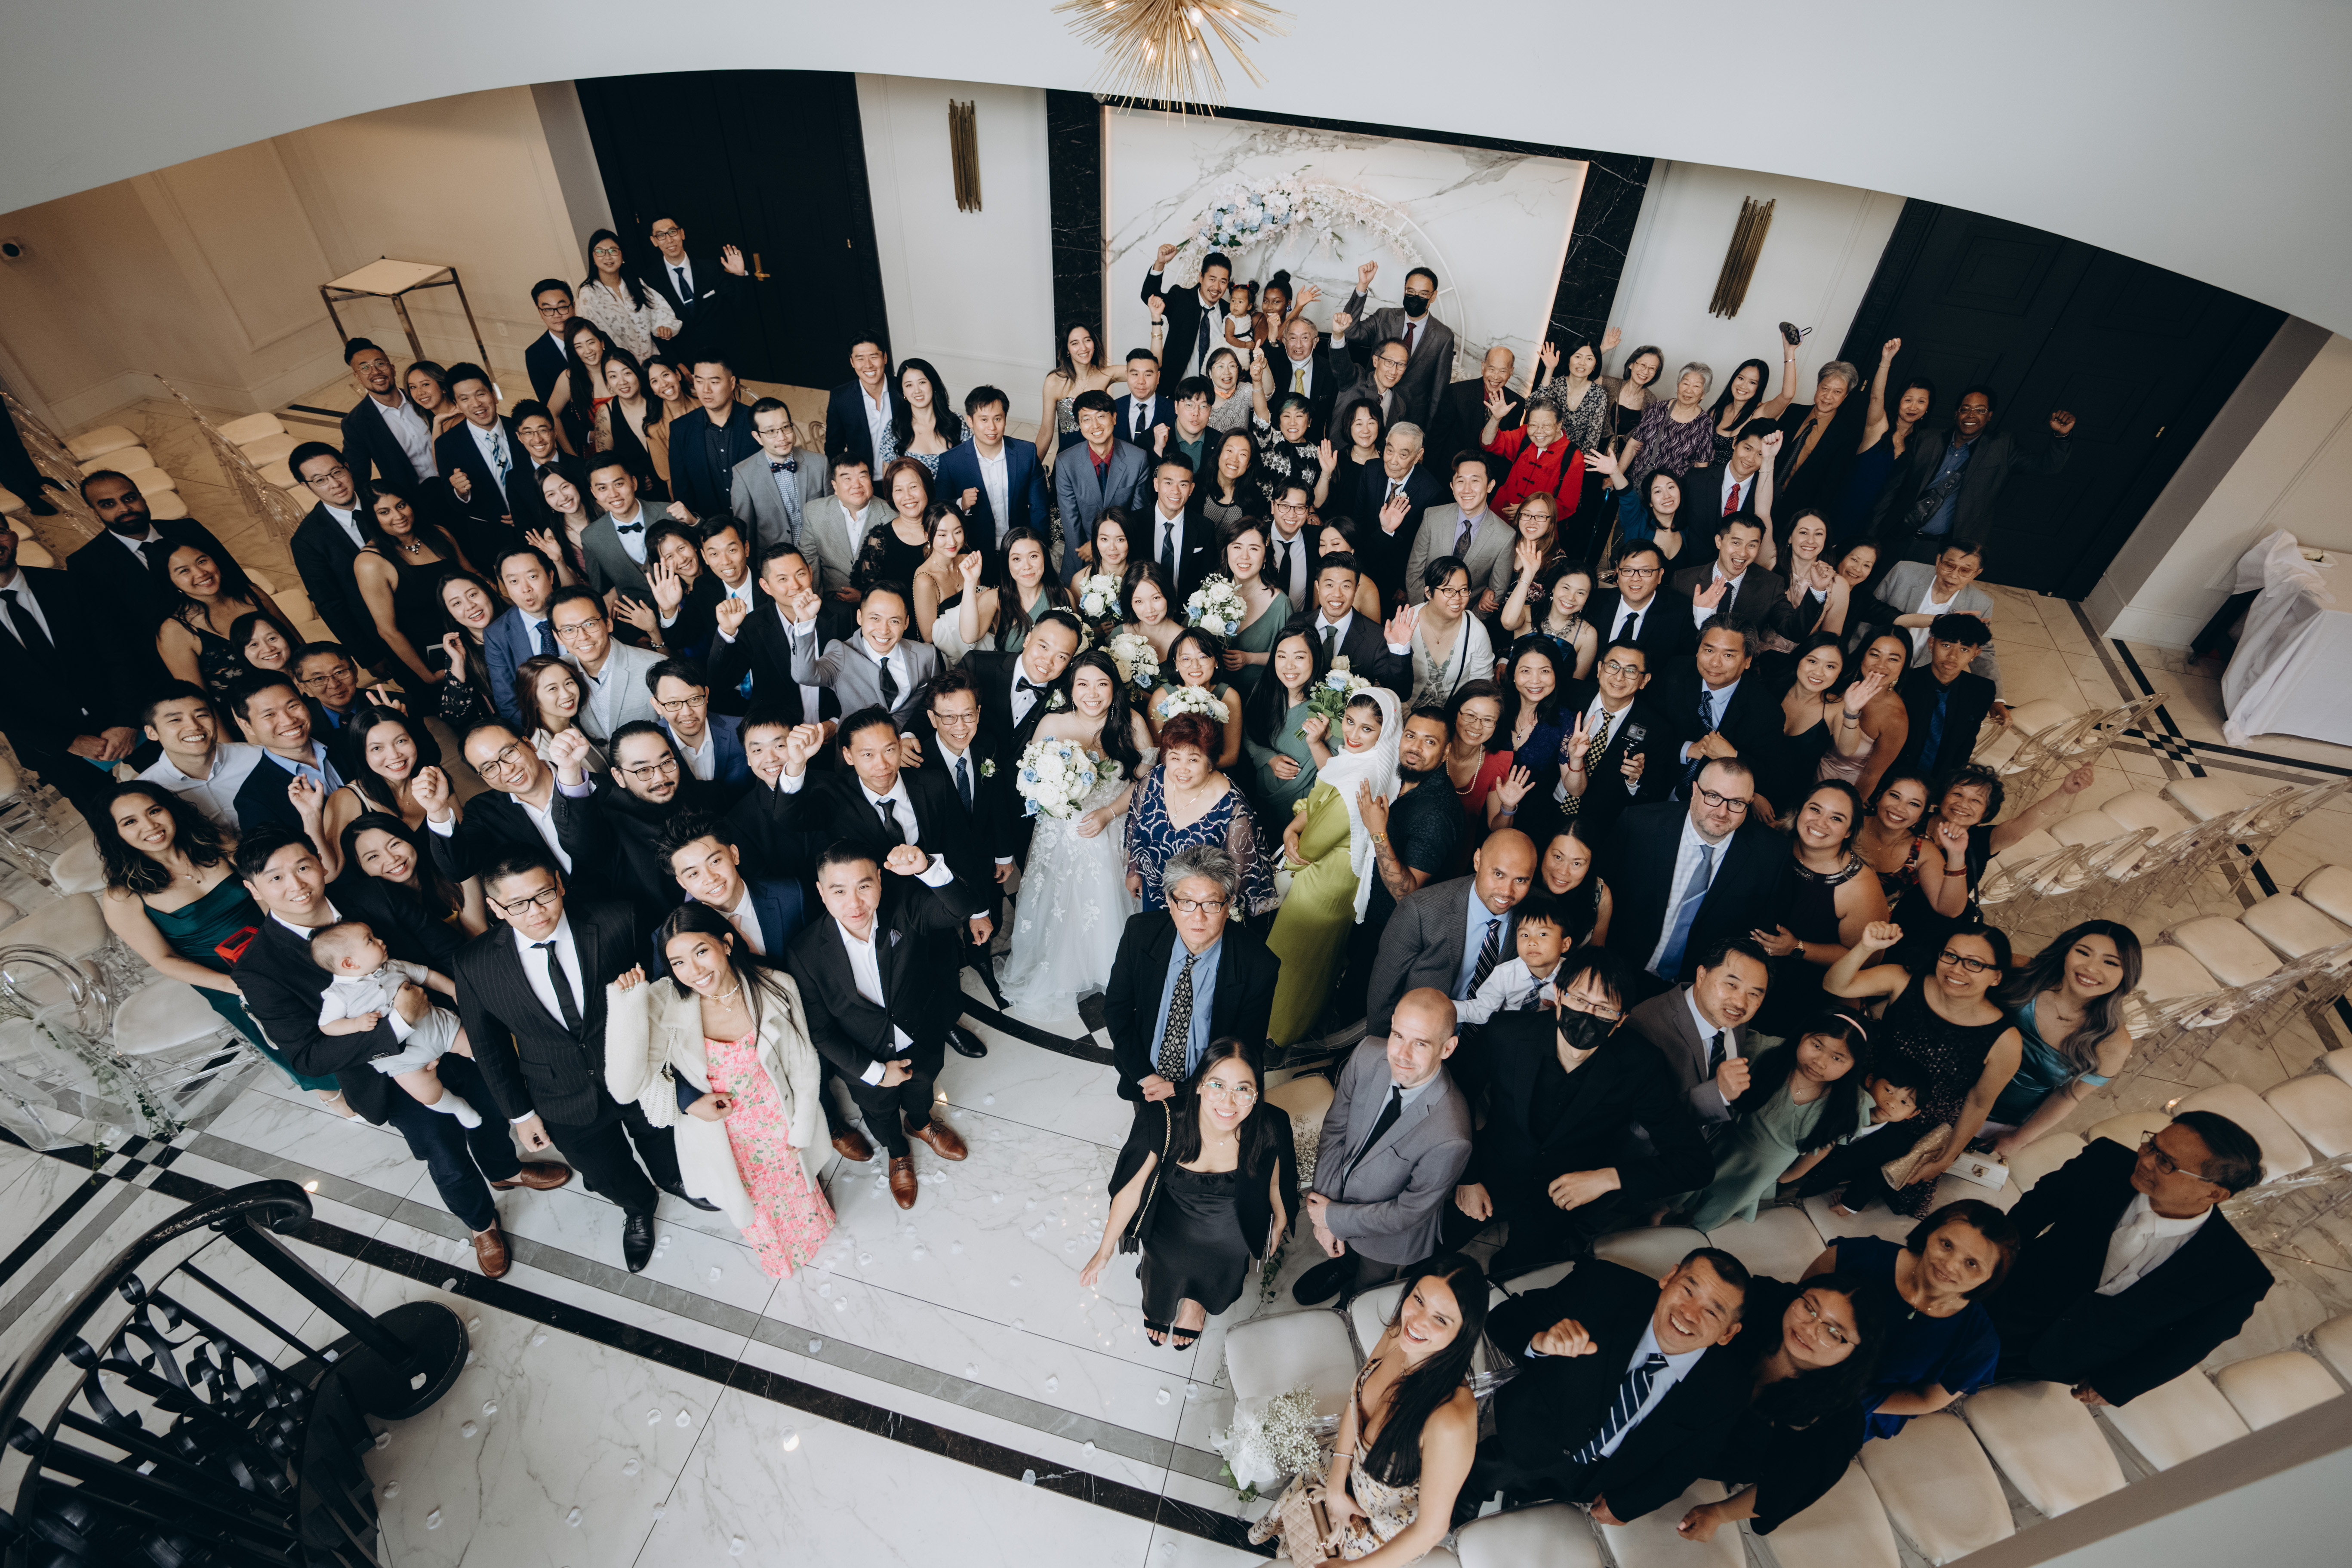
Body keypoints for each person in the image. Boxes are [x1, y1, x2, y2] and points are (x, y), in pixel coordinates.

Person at [231, 824, 568, 1278]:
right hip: (388, 1075)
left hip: (451, 1030)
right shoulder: (258, 968)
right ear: (254, 889)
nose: (296, 884)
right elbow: (309, 1057)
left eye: (303, 867)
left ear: (320, 864)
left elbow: (448, 953)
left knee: (492, 1110)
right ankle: (480, 1222)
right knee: (443, 1153)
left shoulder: (372, 895)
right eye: (276, 878)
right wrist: (398, 1026)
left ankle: (504, 1168)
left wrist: (472, 1015)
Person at [605, 906, 836, 1277]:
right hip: (723, 1136)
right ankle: (778, 1259)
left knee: (798, 1187)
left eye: (701, 951)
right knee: (752, 1206)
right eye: (678, 962)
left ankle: (813, 1234)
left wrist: (803, 1123)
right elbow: (625, 1087)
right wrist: (627, 1007)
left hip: (779, 1118)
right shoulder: (664, 1001)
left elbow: (803, 1060)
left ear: (726, 943)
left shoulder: (775, 985)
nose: (694, 971)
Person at [1986, 1112, 2273, 1409]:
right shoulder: (2104, 1162)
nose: (2146, 1160)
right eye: (2152, 1145)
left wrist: (2116, 1384)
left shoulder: (2239, 1276)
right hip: (2000, 1303)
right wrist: (1981, 1272)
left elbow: (2189, 1343)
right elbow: (2029, 1215)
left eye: (2166, 1163)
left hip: (2063, 1360)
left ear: (2214, 1192)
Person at [95, 782, 349, 1111]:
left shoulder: (215, 843)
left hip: (278, 943)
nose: (150, 825)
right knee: (287, 1030)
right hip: (224, 977)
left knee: (335, 1003)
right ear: (115, 833)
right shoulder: (123, 895)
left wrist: (288, 947)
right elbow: (163, 959)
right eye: (130, 822)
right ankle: (330, 1092)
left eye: (154, 811)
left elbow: (266, 895)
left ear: (170, 810)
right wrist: (238, 985)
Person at [1464, 1243, 1752, 1522]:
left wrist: (1628, 1505)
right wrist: (1539, 1342)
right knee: (1476, 1478)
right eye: (1688, 1290)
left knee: (1532, 1508)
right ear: (1669, 1277)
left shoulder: (1729, 1390)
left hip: (1595, 1482)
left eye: (1712, 1312)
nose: (1689, 1313)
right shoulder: (1603, 1285)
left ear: (1728, 1333)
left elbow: (1689, 1461)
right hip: (1525, 1436)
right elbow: (1505, 1319)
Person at [1255, 1255, 1487, 1565]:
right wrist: (1337, 1484)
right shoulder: (1402, 1332)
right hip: (1336, 1472)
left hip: (1373, 1536)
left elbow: (1431, 1528)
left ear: (1463, 1333)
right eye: (1418, 1299)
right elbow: (1355, 1399)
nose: (1417, 1321)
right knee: (1291, 1543)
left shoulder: (1450, 1419)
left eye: (1441, 1319)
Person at [787, 838, 981, 1207]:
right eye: (839, 891)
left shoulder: (904, 907)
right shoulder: (805, 951)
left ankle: (921, 1123)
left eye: (864, 886)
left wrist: (926, 868)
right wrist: (875, 1072)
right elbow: (821, 1031)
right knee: (879, 1113)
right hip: (863, 1059)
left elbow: (962, 908)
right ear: (822, 893)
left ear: (879, 879)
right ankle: (897, 1151)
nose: (854, 903)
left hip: (920, 1036)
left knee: (922, 1089)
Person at [1087, 1035, 1296, 1350]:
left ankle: (1196, 1304)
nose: (1228, 1103)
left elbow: (1275, 1179)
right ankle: (1160, 1305)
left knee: (1215, 1277)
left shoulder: (1271, 1124)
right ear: (1199, 1084)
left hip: (1232, 1234)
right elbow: (1131, 1191)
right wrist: (1104, 1252)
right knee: (1163, 1272)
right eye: (1217, 1085)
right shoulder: (1163, 1119)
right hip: (1171, 1228)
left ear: (1256, 1095)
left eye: (1242, 1089)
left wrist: (1279, 1218)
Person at [1822, 919, 2023, 1217]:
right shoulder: (1903, 979)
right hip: (1867, 1092)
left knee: (1878, 1182)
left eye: (1974, 963)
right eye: (1950, 955)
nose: (1957, 969)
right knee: (1817, 1158)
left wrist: (1946, 1159)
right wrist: (1866, 947)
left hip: (1920, 1126)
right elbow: (1835, 985)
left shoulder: (2005, 1041)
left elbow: (1979, 1102)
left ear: (1996, 977)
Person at [1290, 990, 1475, 1310]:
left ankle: (1350, 1304)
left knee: (1367, 1289)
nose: (1401, 1055)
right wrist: (1327, 1218)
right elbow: (1335, 1129)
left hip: (1388, 1237)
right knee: (1346, 1254)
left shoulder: (1453, 1136)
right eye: (1398, 1035)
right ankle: (1343, 1265)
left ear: (1448, 1048)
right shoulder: (1367, 1053)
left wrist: (1333, 1217)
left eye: (1421, 1043)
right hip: (1339, 1199)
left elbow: (1407, 1212)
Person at [1675, 1272, 1884, 1544]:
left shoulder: (1840, 1423)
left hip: (1712, 1461)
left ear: (1856, 1353)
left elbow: (1784, 1488)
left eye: (1833, 1332)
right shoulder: (1760, 1302)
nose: (1809, 1329)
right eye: (1810, 1308)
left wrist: (1719, 1513)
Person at [1001, 650, 1154, 1012]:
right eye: (1083, 684)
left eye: (1102, 684)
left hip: (1113, 825)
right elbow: (1031, 781)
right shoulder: (1052, 724)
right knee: (1060, 903)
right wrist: (1055, 801)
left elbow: (1147, 781)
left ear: (1114, 688)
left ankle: (1112, 968)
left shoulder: (1131, 721)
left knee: (1109, 898)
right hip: (1061, 832)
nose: (1092, 693)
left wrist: (1109, 813)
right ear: (1071, 688)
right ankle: (1066, 969)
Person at [1804, 1198, 2014, 1439]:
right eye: (1946, 1244)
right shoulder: (1855, 1257)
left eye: (1971, 1264)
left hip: (1856, 1409)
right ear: (1930, 1233)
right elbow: (1795, 1307)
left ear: (1991, 1278)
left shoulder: (1980, 1343)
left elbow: (1926, 1399)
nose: (1950, 1265)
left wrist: (1849, 1402)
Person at [1267, 687, 1401, 1044]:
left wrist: (1295, 837)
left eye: (1367, 729)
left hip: (1324, 880)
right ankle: (1296, 1024)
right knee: (1316, 960)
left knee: (1291, 958)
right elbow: (1329, 783)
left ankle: (1277, 1032)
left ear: (1384, 731)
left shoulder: (1362, 778)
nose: (1353, 735)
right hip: (1335, 876)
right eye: (1350, 722)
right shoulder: (1362, 760)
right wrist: (1294, 825)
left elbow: (1311, 846)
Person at [1102, 843, 1281, 1103]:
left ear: (1229, 904)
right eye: (1186, 902)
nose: (1198, 918)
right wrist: (1145, 1077)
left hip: (1211, 1092)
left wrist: (1181, 1089)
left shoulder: (1259, 965)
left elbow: (1245, 1053)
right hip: (1143, 1081)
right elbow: (1116, 1010)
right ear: (1169, 900)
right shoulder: (1139, 934)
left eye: (1211, 904)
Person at [1602, 757, 1784, 996]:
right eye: (1714, 796)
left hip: (1698, 991)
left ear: (1749, 804)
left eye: (1736, 803)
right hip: (1618, 971)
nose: (1722, 812)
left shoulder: (1772, 854)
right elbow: (1600, 895)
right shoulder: (1639, 825)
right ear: (1695, 790)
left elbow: (1757, 936)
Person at [1677, 1013, 1870, 1230]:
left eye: (1837, 1058)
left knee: (1719, 1205)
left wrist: (1793, 1175)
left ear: (1854, 1065)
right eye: (1817, 1046)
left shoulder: (1851, 1103)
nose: (1820, 1062)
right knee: (1684, 1190)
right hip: (1723, 1144)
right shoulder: (1764, 1051)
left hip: (1761, 1171)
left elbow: (1826, 1144)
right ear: (1803, 1035)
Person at [0, 524, 136, 830]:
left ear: (12, 535)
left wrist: (127, 719)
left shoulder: (68, 583)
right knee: (114, 828)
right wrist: (69, 742)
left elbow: (120, 653)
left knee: (189, 790)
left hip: (122, 716)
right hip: (54, 744)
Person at [1906, 763, 2097, 965]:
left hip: (1934, 930)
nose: (1963, 804)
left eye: (1976, 800)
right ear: (1942, 797)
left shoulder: (1983, 840)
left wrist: (2064, 792)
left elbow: (2021, 826)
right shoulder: (1912, 820)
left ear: (1985, 813)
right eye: (1957, 794)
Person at [1986, 921, 2141, 1154]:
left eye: (2110, 962)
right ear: (2067, 951)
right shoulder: (2021, 973)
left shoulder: (2113, 1043)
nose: (2091, 968)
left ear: (2127, 974)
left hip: (1998, 1118)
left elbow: (2069, 1096)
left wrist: (2019, 1139)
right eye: (2083, 953)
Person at [1871, 386, 2077, 561]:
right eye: (1966, 409)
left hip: (1943, 551)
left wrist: (2062, 436)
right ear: (1956, 413)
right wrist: (1872, 535)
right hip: (1896, 537)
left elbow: (2047, 466)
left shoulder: (2002, 447)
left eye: (1980, 410)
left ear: (1990, 416)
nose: (1971, 415)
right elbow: (1892, 490)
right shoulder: (1927, 439)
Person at [310, 920, 477, 1123]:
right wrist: (355, 1024)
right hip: (403, 1059)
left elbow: (428, 976)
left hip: (439, 1028)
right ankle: (458, 1108)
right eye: (370, 940)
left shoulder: (394, 966)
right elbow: (327, 1026)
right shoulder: (338, 995)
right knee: (427, 1094)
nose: (380, 941)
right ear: (350, 963)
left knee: (476, 1045)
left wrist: (454, 992)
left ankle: (496, 1072)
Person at [415, 722, 604, 892]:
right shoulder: (483, 811)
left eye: (509, 753)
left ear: (529, 744)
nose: (506, 769)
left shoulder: (599, 786)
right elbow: (459, 870)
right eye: (489, 768)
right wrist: (437, 811)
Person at [1124, 712, 1274, 915]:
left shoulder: (1233, 810)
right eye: (1175, 758)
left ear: (1210, 763)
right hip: (1154, 893)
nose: (1182, 769)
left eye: (1193, 760)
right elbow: (1135, 827)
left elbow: (1240, 880)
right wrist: (1134, 871)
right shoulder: (1153, 781)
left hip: (1199, 910)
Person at [1629, 936, 1773, 1129]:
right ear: (1701, 975)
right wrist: (1718, 1094)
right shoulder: (1644, 1025)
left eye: (1754, 994)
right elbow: (1638, 1126)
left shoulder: (1735, 1019)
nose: (1740, 1003)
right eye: (1731, 985)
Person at [1546, 639, 1666, 840]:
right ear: (1599, 669)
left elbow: (1653, 795)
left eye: (1631, 671)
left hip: (1601, 828)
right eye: (1613, 666)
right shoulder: (1568, 695)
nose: (1619, 677)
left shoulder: (1657, 729)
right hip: (1547, 806)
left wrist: (1634, 780)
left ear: (1644, 680)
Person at [354, 480, 468, 690]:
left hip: (472, 637)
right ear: (373, 518)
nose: (399, 516)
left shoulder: (439, 534)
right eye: (385, 512)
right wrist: (428, 676)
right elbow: (388, 631)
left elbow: (473, 575)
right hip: (430, 658)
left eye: (401, 505)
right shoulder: (370, 562)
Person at [287, 443, 392, 669]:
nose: (335, 484)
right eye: (320, 480)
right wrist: (370, 657)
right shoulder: (307, 541)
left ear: (347, 467)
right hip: (382, 633)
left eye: (337, 472)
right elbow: (331, 605)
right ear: (305, 486)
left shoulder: (384, 496)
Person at [1874, 540, 2005, 697]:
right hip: (1879, 664)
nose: (1954, 575)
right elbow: (1869, 617)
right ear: (1938, 561)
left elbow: (1983, 650)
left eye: (1965, 571)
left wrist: (1998, 699)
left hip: (1924, 678)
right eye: (1949, 565)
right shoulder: (1903, 572)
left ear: (1976, 574)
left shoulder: (1980, 604)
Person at [1332, 423, 1444, 606]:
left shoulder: (1431, 492)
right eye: (1390, 450)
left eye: (1403, 455)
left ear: (1418, 456)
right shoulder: (1371, 470)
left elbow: (1423, 548)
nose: (1393, 461)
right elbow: (1357, 520)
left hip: (1396, 578)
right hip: (1362, 562)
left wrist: (1405, 586)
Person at [226, 676, 350, 836]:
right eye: (270, 715)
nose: (288, 721)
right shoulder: (254, 800)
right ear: (247, 725)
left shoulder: (350, 739)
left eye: (292, 706)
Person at [431, 365, 536, 555]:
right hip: (492, 538)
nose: (476, 404)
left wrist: (528, 510)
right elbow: (452, 501)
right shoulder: (447, 444)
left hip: (539, 526)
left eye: (481, 394)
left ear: (493, 395)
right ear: (457, 404)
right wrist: (460, 493)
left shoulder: (522, 428)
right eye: (465, 399)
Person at [1336, 261, 1454, 426]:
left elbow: (1438, 393)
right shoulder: (1384, 317)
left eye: (1423, 294)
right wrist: (1362, 286)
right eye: (1411, 292)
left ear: (1433, 296)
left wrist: (1428, 434)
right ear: (1405, 290)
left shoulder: (1443, 337)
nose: (1415, 298)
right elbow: (1350, 331)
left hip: (1410, 418)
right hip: (1370, 407)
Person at [1837, 340, 1932, 542]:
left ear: (1927, 409)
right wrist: (1886, 361)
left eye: (1921, 402)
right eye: (1908, 400)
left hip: (1879, 522)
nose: (1913, 407)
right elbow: (1876, 397)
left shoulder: (1921, 443)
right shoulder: (1878, 427)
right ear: (1899, 402)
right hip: (1848, 508)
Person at [1054, 391, 1152, 584]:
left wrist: (1104, 546)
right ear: (1079, 424)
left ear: (1114, 418)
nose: (1095, 426)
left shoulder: (1138, 459)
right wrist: (1090, 549)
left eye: (1101, 416)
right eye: (1087, 419)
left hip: (1124, 553)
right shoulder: (1066, 462)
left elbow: (1138, 516)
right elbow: (1071, 520)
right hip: (1082, 554)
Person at [135, 683, 265, 829]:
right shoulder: (145, 791)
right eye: (176, 720)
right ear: (152, 732)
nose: (194, 726)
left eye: (201, 715)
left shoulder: (260, 757)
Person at [1608, 362, 1716, 535]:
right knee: (1626, 530)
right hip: (1639, 485)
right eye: (1685, 383)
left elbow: (1700, 470)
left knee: (1654, 536)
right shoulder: (1658, 408)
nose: (1689, 390)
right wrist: (1615, 477)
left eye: (1697, 386)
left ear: (1703, 394)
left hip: (1669, 497)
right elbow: (1633, 445)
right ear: (1678, 385)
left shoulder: (1705, 425)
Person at [343, 810, 487, 937]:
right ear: (361, 869)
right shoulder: (376, 915)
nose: (392, 859)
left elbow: (480, 937)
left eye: (394, 844)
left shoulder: (455, 874)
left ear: (409, 840)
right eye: (373, 857)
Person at [549, 586, 662, 743]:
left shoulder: (655, 667)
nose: (582, 637)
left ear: (608, 624)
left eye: (590, 624)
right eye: (569, 630)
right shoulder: (556, 673)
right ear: (558, 636)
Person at [1404, 453, 1508, 616]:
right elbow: (1414, 572)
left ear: (1490, 485)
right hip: (1424, 612)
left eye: (1475, 481)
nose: (1467, 489)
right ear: (1452, 487)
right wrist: (1424, 614)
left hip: (1466, 617)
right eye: (1461, 481)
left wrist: (1468, 623)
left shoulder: (1505, 536)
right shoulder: (1433, 517)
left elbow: (1497, 592)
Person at [1242, 625, 1329, 818]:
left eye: (1299, 657)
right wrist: (1269, 758)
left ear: (1315, 658)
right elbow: (1247, 735)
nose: (1289, 666)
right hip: (1263, 802)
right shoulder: (1265, 691)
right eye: (1282, 656)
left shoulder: (1329, 705)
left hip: (1307, 811)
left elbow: (1338, 774)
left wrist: (1316, 743)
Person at [1768, 360, 1869, 522]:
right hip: (1762, 493)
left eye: (1837, 392)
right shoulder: (1793, 412)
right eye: (1825, 388)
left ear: (1845, 396)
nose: (1828, 396)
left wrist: (1812, 519)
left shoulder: (1846, 435)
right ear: (1818, 386)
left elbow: (1831, 485)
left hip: (1798, 511)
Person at [338, 337, 442, 493]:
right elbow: (358, 476)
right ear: (358, 377)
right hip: (414, 497)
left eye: (380, 364)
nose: (375, 372)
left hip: (458, 481)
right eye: (365, 368)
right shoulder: (355, 423)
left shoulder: (421, 397)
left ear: (393, 369)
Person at [641, 219, 748, 368]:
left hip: (722, 352)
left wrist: (739, 275)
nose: (669, 240)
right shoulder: (650, 280)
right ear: (654, 241)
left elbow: (739, 305)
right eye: (661, 235)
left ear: (682, 233)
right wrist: (676, 362)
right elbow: (654, 325)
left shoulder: (710, 268)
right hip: (685, 359)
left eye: (672, 232)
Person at [725, 398, 827, 552]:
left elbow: (832, 517)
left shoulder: (820, 464)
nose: (782, 437)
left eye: (786, 427)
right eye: (771, 431)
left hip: (819, 555)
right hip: (774, 560)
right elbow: (746, 532)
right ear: (758, 437)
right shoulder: (743, 474)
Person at [667, 356, 761, 521]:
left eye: (714, 382)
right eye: (699, 381)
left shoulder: (757, 420)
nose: (706, 390)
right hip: (710, 528)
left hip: (760, 524)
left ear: (732, 383)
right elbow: (683, 491)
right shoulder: (680, 429)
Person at [1825, 633, 1910, 800]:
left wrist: (1852, 809)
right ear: (1863, 655)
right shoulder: (1837, 682)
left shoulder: (1896, 718)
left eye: (1893, 659)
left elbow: (1872, 775)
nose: (1881, 665)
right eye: (1875, 655)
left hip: (1843, 792)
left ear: (1903, 666)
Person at [576, 228, 682, 360]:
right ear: (592, 257)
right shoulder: (588, 293)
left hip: (652, 363)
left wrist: (665, 328)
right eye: (600, 252)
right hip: (619, 366)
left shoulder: (636, 283)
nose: (608, 257)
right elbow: (590, 336)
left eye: (613, 251)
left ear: (622, 256)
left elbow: (661, 311)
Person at [1403, 556, 1493, 709]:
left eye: (1464, 590)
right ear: (1429, 593)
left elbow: (1481, 688)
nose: (1458, 598)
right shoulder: (1406, 622)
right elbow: (1388, 678)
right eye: (1449, 590)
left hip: (1453, 715)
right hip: (1404, 711)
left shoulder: (1476, 632)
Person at [1146, 627, 1243, 769]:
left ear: (1216, 661)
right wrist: (1183, 769)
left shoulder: (1230, 697)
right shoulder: (1162, 696)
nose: (1195, 666)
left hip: (1214, 771)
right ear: (1176, 663)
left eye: (1203, 657)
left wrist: (1196, 770)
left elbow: (1231, 756)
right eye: (1186, 659)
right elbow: (1156, 749)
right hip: (1173, 771)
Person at [1588, 540, 1691, 670]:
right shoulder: (1595, 601)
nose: (1636, 578)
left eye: (1646, 571)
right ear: (1618, 573)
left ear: (1660, 575)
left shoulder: (1681, 614)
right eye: (1628, 570)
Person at [1140, 242, 1232, 383]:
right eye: (1212, 279)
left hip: (1216, 391)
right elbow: (1149, 296)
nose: (1217, 287)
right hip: (1177, 388)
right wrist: (1160, 263)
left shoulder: (1230, 312)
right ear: (1201, 277)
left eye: (1223, 282)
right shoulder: (1181, 298)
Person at [1428, 344, 1525, 476]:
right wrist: (1428, 476)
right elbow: (1436, 439)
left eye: (1503, 371)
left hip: (1488, 477)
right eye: (1491, 369)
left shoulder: (1516, 403)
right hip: (1451, 472)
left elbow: (1508, 450)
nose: (1496, 377)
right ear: (1483, 368)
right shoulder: (1457, 393)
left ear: (1511, 372)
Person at [1438, 680, 1513, 838]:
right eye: (1470, 715)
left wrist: (1508, 807)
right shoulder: (1432, 746)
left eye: (1488, 720)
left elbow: (1496, 828)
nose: (1477, 727)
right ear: (1456, 714)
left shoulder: (1497, 763)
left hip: (1461, 849)